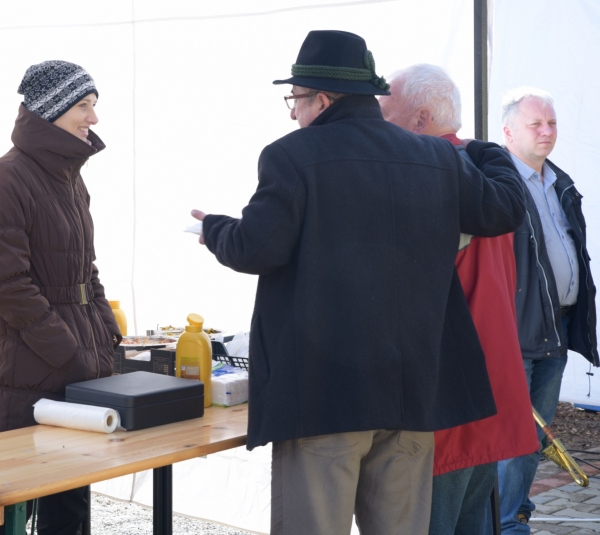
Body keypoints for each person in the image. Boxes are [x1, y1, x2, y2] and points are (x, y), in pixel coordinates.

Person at [192, 30, 526, 535]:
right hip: (412, 392)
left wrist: (213, 228)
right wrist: (485, 149)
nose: (291, 113)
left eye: (296, 99)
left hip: (325, 395)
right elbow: (503, 209)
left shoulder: (292, 156)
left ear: (322, 100)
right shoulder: (435, 157)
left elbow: (255, 248)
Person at [379, 64, 539, 535]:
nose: (376, 124)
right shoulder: (484, 170)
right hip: (491, 384)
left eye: (386, 113)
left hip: (449, 395)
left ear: (421, 118)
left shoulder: (428, 175)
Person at [0, 60, 121, 535]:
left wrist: (108, 338)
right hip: (27, 372)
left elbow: (87, 273)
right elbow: (10, 287)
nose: (93, 118)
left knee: (70, 508)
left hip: (76, 370)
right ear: (50, 109)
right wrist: (69, 352)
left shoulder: (71, 177)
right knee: (7, 510)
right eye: (83, 105)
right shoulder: (6, 177)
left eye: (94, 105)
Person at [496, 87, 598, 533]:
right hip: (514, 330)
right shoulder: (498, 183)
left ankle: (515, 514)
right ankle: (503, 522)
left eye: (552, 123)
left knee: (534, 436)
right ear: (508, 131)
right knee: (510, 435)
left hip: (554, 327)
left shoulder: (560, 182)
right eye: (535, 124)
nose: (546, 131)